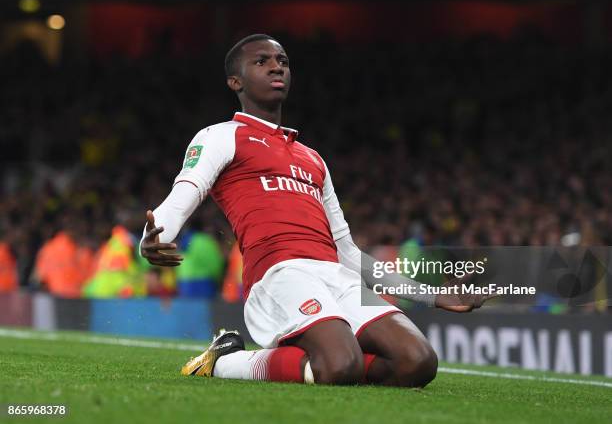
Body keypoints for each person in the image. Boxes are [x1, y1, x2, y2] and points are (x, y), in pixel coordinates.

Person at [141, 34, 494, 387]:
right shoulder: (221, 136)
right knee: (339, 365)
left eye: (282, 60)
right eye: (261, 61)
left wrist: (431, 295)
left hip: (335, 278)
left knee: (417, 362)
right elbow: (186, 190)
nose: (276, 66)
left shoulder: (313, 159)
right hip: (279, 275)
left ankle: (326, 360)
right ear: (236, 81)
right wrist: (155, 236)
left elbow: (349, 254)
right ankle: (225, 361)